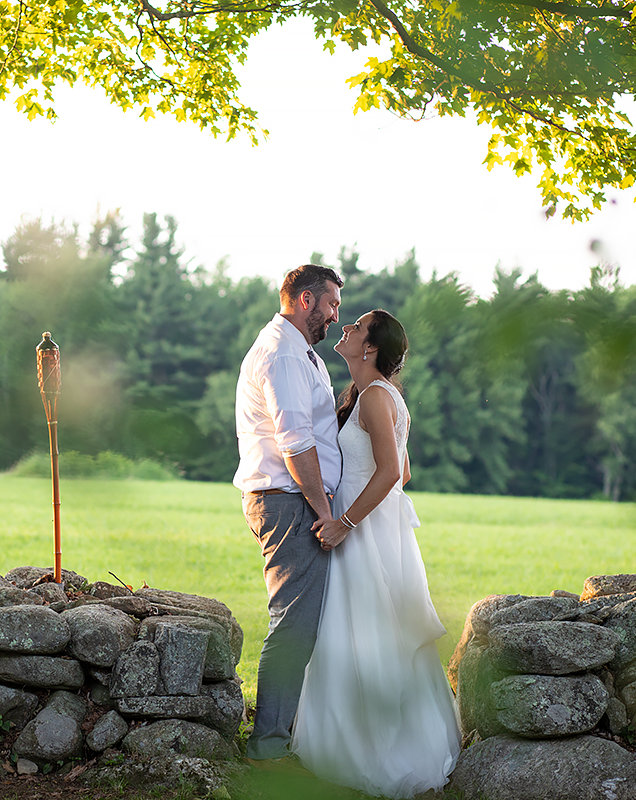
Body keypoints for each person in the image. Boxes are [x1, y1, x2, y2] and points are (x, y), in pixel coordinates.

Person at [291, 309, 461, 797]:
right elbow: (403, 472)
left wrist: (344, 522)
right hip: (376, 527)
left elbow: (390, 472)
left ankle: (373, 751)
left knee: (367, 630)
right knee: (368, 627)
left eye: (356, 327)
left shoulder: (374, 399)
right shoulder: (375, 396)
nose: (345, 329)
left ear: (370, 348)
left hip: (361, 531)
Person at [233, 264, 343, 769]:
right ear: (304, 300)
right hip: (289, 501)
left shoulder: (301, 353)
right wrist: (325, 513)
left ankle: (285, 732)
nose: (334, 315)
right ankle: (269, 746)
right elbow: (295, 443)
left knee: (300, 622)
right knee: (293, 624)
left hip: (295, 499)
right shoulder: (282, 354)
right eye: (331, 304)